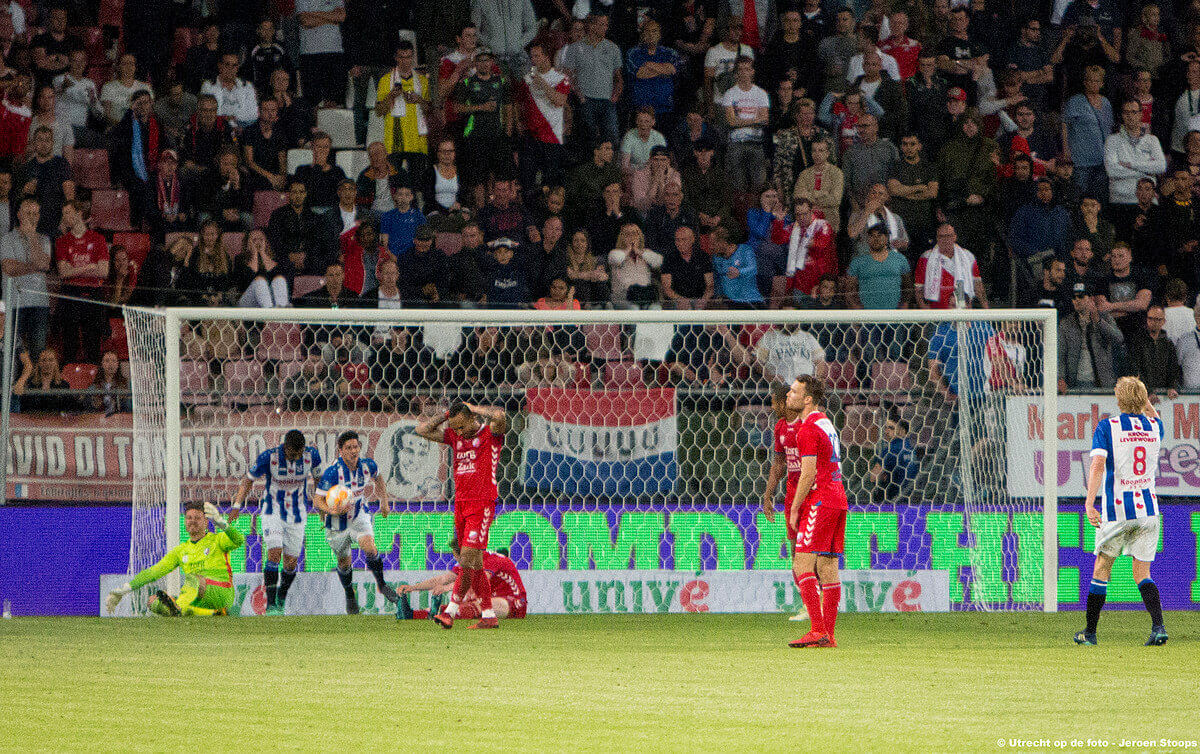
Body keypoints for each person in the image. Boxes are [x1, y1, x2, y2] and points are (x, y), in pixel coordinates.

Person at [1075, 376, 1168, 647]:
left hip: (1117, 511)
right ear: (1143, 399)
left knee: (1102, 567)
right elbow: (1152, 413)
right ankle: (1158, 627)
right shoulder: (1154, 427)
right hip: (1148, 511)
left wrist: (1089, 502)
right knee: (1143, 573)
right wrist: (1144, 398)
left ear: (1118, 399)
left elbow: (1097, 465)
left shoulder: (1108, 426)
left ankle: (1090, 633)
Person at [415, 402, 509, 629]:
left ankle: (450, 611)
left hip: (482, 502)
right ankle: (488, 616)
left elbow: (500, 416)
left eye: (460, 426)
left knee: (466, 557)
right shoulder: (455, 437)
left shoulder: (489, 435)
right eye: (453, 428)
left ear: (471, 418)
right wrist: (447, 415)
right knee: (475, 563)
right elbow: (422, 430)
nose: (457, 432)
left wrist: (473, 407)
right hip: (461, 504)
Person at [784, 375, 847, 648]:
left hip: (820, 499)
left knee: (802, 563)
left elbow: (808, 472)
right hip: (838, 497)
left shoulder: (807, 428)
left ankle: (817, 629)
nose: (789, 394)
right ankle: (828, 636)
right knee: (828, 567)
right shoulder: (826, 422)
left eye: (795, 391)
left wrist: (796, 507)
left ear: (808, 398)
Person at [231, 429, 322, 615]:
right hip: (273, 510)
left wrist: (322, 506)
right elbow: (248, 480)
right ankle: (271, 604)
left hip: (298, 513)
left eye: (298, 454)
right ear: (284, 447)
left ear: (303, 449)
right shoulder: (269, 457)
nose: (295, 457)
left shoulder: (312, 456)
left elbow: (319, 480)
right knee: (274, 553)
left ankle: (281, 596)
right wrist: (237, 505)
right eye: (291, 454)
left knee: (291, 562)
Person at [105, 502, 245, 617]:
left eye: (197, 518)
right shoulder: (180, 550)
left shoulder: (218, 539)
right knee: (152, 602)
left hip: (221, 592)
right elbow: (155, 572)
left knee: (194, 579)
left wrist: (221, 522)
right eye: (189, 518)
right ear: (185, 521)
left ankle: (180, 608)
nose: (192, 521)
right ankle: (210, 613)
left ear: (206, 522)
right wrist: (122, 590)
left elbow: (239, 540)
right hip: (195, 597)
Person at [314, 430, 397, 614]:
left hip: (359, 514)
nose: (354, 451)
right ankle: (349, 594)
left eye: (356, 446)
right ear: (341, 451)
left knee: (369, 547)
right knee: (344, 562)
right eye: (349, 448)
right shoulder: (333, 473)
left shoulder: (367, 466)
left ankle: (382, 585)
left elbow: (379, 478)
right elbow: (317, 500)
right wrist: (331, 510)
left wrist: (384, 500)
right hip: (337, 521)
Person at [761, 383, 809, 623]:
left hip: (811, 492)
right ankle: (807, 602)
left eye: (774, 402)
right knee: (795, 550)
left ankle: (819, 599)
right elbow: (779, 464)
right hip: (791, 495)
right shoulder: (780, 426)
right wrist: (768, 494)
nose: (771, 407)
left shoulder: (807, 424)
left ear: (785, 402)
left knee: (811, 550)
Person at [398, 538, 527, 621]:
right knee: (464, 603)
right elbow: (444, 578)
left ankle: (442, 613)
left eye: (457, 558)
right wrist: (413, 588)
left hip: (513, 603)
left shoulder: (490, 560)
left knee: (473, 601)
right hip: (489, 600)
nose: (458, 562)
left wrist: (446, 588)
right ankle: (413, 615)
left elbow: (477, 582)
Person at [54, 201, 108, 365]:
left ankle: (92, 381)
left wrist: (75, 270)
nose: (65, 217)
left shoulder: (97, 239)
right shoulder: (62, 241)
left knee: (92, 340)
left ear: (79, 213)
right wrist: (90, 267)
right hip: (71, 292)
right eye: (63, 214)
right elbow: (63, 273)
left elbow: (103, 271)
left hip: (93, 292)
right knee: (69, 340)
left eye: (68, 212)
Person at [1, 197, 51, 356]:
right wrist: (33, 267)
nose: (32, 217)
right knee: (11, 350)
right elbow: (9, 268)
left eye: (35, 213)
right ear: (19, 215)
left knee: (38, 349)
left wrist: (31, 237)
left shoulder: (44, 240)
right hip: (14, 303)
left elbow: (43, 265)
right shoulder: (6, 239)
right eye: (28, 213)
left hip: (39, 304)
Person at [374, 41, 429, 172]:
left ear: (413, 57)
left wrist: (419, 100)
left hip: (418, 141)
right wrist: (391, 96)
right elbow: (379, 111)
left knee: (416, 185)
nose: (405, 61)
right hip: (395, 140)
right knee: (395, 184)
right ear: (396, 58)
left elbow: (429, 110)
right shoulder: (386, 80)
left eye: (409, 57)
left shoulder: (422, 81)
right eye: (402, 57)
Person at [1058, 282, 1124, 392]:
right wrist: (1060, 378)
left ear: (1091, 299)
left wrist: (1098, 321)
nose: (1077, 300)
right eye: (1074, 298)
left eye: (1081, 296)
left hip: (1102, 382)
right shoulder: (1066, 323)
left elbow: (1118, 339)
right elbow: (1060, 353)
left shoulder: (1105, 318)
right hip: (1074, 382)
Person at [915, 224, 988, 310]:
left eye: (949, 236)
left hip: (963, 310)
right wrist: (924, 308)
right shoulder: (926, 257)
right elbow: (918, 288)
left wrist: (986, 310)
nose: (946, 240)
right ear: (937, 238)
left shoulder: (967, 256)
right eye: (942, 236)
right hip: (936, 312)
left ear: (955, 237)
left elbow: (978, 285)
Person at [1130, 306, 1181, 400]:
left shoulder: (1168, 344)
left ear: (1163, 322)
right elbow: (1134, 369)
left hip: (1163, 396)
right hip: (1142, 396)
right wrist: (1147, 392)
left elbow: (1173, 369)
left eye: (1158, 319)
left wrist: (1172, 387)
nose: (1154, 322)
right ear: (1146, 319)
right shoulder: (1137, 342)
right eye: (1151, 318)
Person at [200, 52, 258, 128]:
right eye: (227, 65)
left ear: (238, 67)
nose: (230, 69)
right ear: (220, 66)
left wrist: (233, 118)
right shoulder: (208, 86)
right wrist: (225, 119)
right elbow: (206, 113)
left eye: (234, 65)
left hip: (243, 128)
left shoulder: (247, 86)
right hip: (217, 127)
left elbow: (253, 114)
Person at [870, 415, 918, 504]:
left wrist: (882, 475)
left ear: (902, 431)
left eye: (891, 428)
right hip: (910, 497)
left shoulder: (891, 449)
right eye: (886, 428)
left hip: (892, 499)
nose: (886, 431)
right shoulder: (911, 448)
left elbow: (873, 477)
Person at [89, 350, 130, 415]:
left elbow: (128, 408)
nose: (111, 364)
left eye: (114, 361)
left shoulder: (126, 384)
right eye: (107, 361)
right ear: (102, 364)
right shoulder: (95, 386)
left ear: (118, 364)